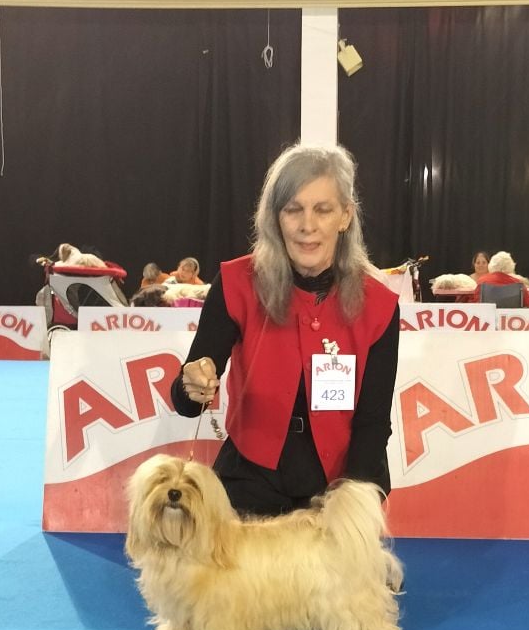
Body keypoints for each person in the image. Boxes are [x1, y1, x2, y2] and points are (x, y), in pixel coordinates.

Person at [170, 143, 400, 517]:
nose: (307, 225)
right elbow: (185, 402)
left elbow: (373, 423)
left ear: (345, 217)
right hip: (252, 474)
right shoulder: (235, 282)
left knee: (365, 578)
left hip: (340, 481)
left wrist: (350, 506)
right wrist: (191, 384)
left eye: (322, 210)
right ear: (275, 218)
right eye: (293, 209)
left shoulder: (380, 305)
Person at [463, 250, 529, 306]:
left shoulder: (482, 281)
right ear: (511, 266)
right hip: (510, 321)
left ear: (491, 264)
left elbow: (477, 303)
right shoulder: (519, 284)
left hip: (487, 320)